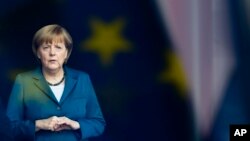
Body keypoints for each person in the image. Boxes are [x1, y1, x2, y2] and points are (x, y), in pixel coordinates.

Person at [7, 24, 106, 141]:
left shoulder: (82, 79)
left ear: (66, 53)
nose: (52, 53)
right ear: (38, 53)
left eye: (58, 47)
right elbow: (9, 128)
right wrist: (38, 125)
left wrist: (76, 124)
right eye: (46, 47)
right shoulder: (24, 81)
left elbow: (99, 124)